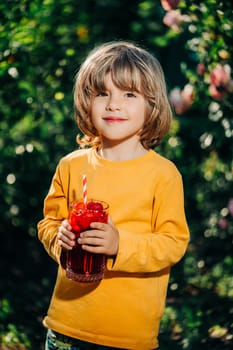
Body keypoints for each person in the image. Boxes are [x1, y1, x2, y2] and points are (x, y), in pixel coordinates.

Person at [38, 41, 190, 350]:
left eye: (129, 94)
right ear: (86, 101)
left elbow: (173, 243)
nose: (113, 104)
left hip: (127, 334)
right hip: (66, 326)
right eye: (102, 93)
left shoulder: (163, 175)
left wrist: (120, 244)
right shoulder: (71, 166)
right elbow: (49, 224)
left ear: (152, 105)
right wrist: (60, 239)